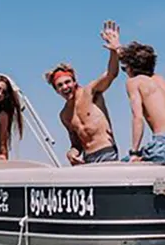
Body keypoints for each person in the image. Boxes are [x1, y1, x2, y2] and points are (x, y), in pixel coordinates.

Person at [45, 19, 122, 165]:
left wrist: (114, 50)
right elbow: (76, 144)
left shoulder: (90, 92)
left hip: (106, 153)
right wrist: (72, 153)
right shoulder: (64, 115)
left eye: (68, 82)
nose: (65, 87)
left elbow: (111, 74)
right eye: (60, 85)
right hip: (87, 159)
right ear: (56, 90)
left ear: (74, 81)